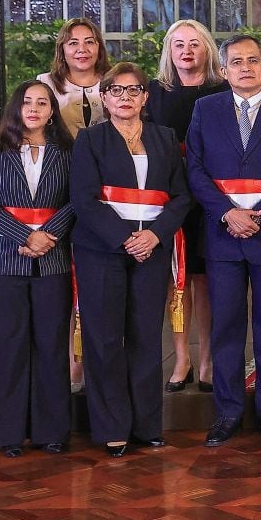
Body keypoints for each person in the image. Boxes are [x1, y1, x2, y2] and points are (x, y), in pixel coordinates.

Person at [186, 35, 261, 447]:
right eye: (236, 62)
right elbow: (195, 170)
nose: (245, 68)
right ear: (223, 70)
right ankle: (228, 412)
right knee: (226, 328)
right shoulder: (205, 109)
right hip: (222, 233)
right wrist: (227, 212)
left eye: (253, 60)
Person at [69, 63, 192, 457]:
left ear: (145, 96)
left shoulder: (164, 137)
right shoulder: (90, 139)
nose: (125, 97)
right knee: (105, 339)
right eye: (117, 90)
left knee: (144, 338)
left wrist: (155, 235)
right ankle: (111, 428)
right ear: (104, 97)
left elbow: (181, 196)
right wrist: (126, 239)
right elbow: (84, 200)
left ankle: (146, 425)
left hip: (152, 249)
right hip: (101, 251)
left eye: (133, 90)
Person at [0, 81, 75, 457]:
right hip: (3, 258)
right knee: (7, 345)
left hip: (53, 257)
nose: (34, 108)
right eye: (27, 102)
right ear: (16, 108)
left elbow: (77, 199)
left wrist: (46, 235)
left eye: (42, 102)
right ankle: (8, 433)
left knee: (51, 345)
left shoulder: (68, 152)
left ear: (52, 111)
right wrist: (24, 235)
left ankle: (52, 431)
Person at [145, 19, 228, 395]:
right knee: (174, 280)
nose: (186, 51)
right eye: (178, 44)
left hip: (210, 194)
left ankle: (208, 358)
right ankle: (181, 357)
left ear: (206, 48)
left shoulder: (223, 90)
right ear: (169, 51)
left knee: (205, 280)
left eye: (194, 43)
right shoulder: (153, 92)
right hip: (168, 196)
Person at [37, 16, 111, 393]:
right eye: (73, 42)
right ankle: (71, 363)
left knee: (99, 281)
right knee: (63, 280)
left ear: (99, 46)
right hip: (59, 191)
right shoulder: (45, 86)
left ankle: (102, 363)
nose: (81, 49)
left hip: (109, 193)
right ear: (62, 49)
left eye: (89, 41)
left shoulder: (115, 84)